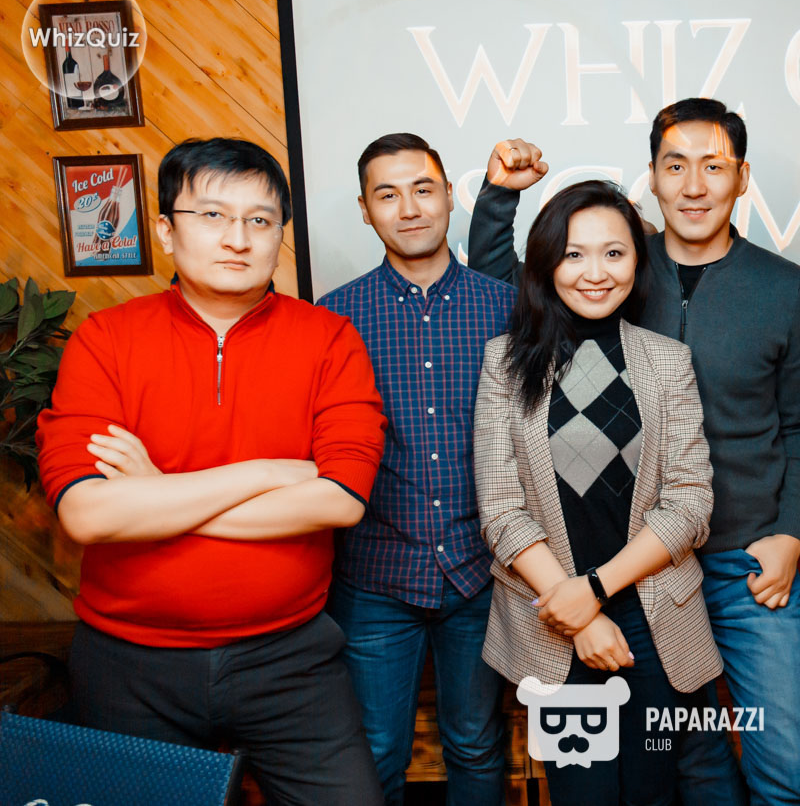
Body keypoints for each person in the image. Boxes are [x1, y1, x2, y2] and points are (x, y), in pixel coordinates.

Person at [471, 98, 800, 806]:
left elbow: (796, 426)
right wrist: (498, 197)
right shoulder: (592, 285)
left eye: (713, 167)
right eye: (675, 166)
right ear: (653, 177)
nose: (694, 185)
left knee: (752, 766)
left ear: (741, 177)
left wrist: (791, 532)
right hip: (587, 588)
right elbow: (512, 280)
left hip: (731, 564)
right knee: (652, 770)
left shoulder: (777, 290)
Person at [35, 137, 386, 804]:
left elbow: (339, 499)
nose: (238, 238)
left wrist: (154, 496)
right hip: (129, 663)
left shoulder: (328, 339)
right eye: (213, 216)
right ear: (167, 230)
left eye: (260, 219)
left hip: (290, 659)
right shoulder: (105, 340)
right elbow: (87, 514)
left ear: (280, 235)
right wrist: (273, 471)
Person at [473, 179, 721, 805]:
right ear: (545, 263)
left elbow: (691, 502)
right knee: (582, 794)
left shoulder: (668, 359)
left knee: (654, 791)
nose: (595, 273)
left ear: (638, 261)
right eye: (574, 254)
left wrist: (596, 592)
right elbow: (501, 509)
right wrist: (577, 612)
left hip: (655, 620)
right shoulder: (504, 362)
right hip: (551, 621)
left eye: (614, 253)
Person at [317, 133, 515, 805]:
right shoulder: (332, 319)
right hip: (375, 577)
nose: (409, 208)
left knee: (477, 743)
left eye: (423, 189)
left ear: (450, 196)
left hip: (483, 573)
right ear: (366, 211)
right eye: (387, 194)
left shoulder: (506, 308)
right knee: (375, 750)